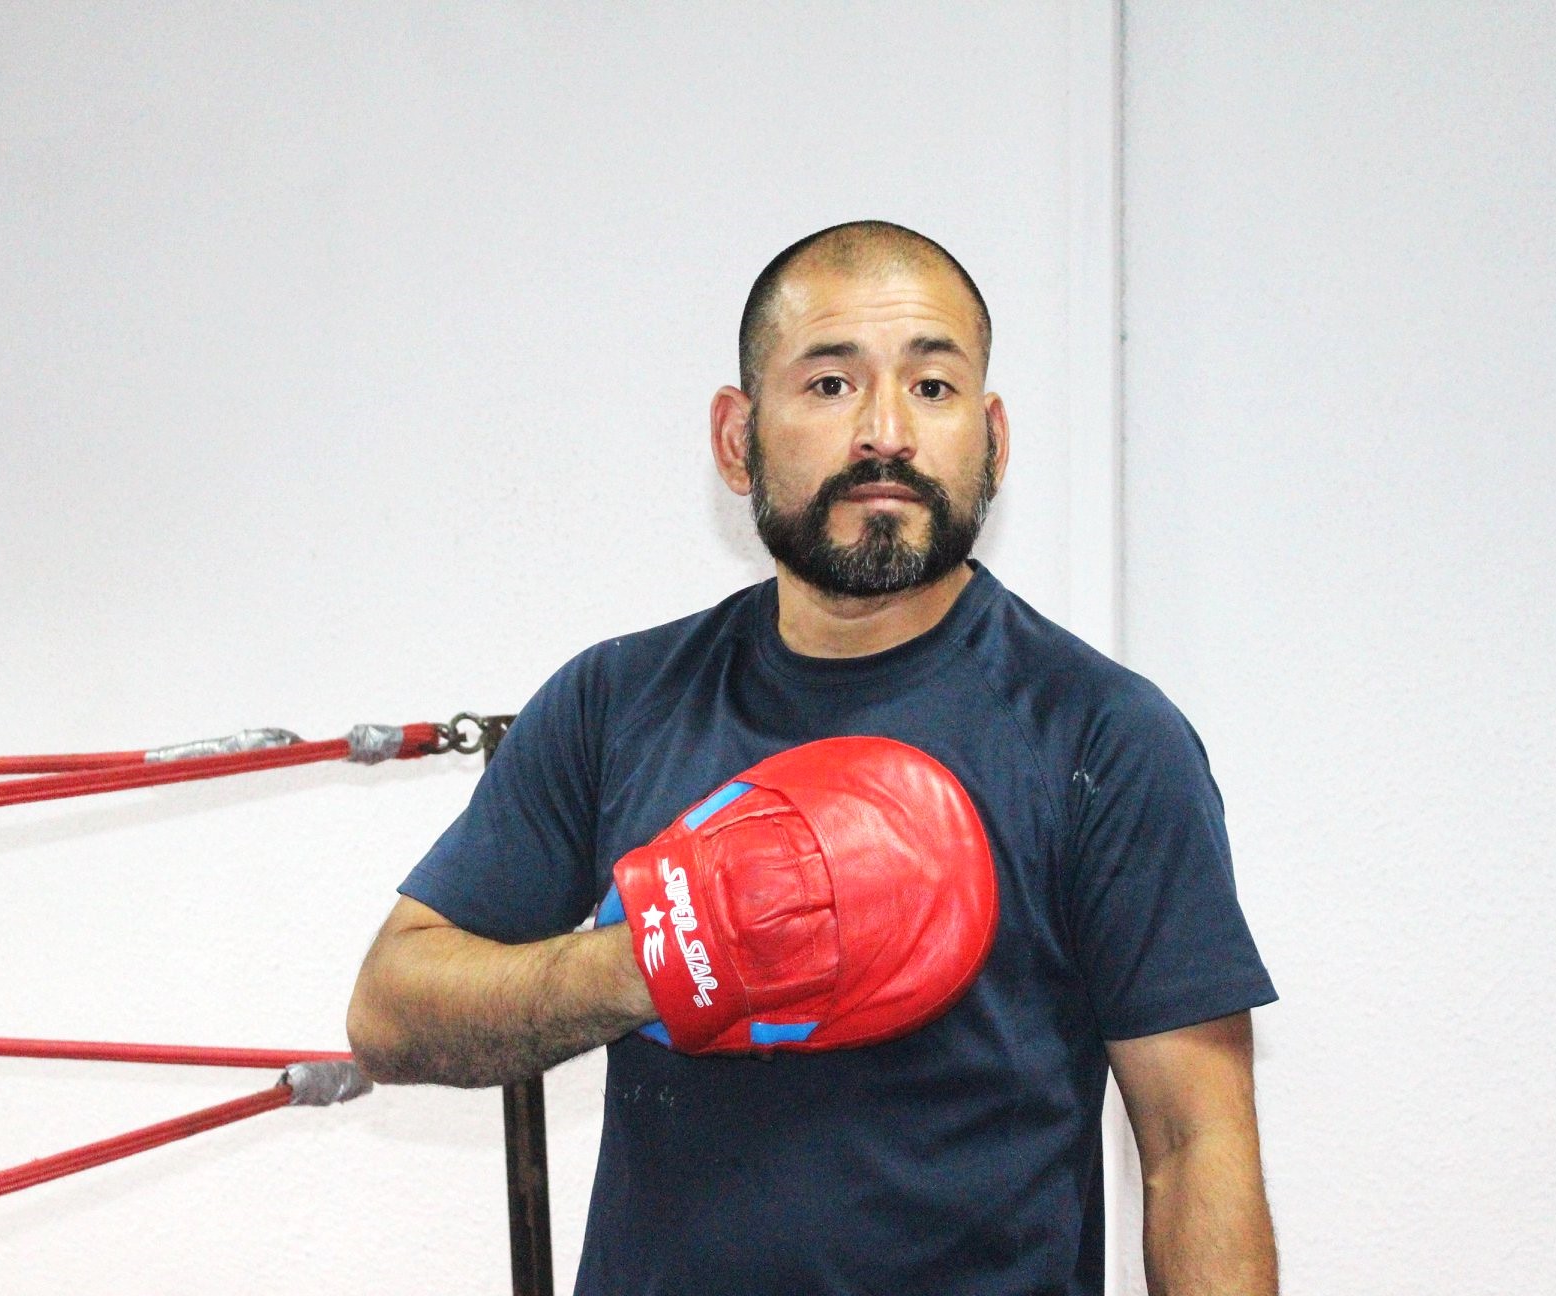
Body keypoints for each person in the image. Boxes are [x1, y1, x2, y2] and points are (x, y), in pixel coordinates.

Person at [347, 220, 1279, 1295]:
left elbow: (1194, 1144)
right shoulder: (618, 702)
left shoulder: (1101, 738)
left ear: (994, 437)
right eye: (831, 385)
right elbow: (390, 1010)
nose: (886, 433)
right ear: (737, 437)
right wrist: (650, 962)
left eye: (933, 388)